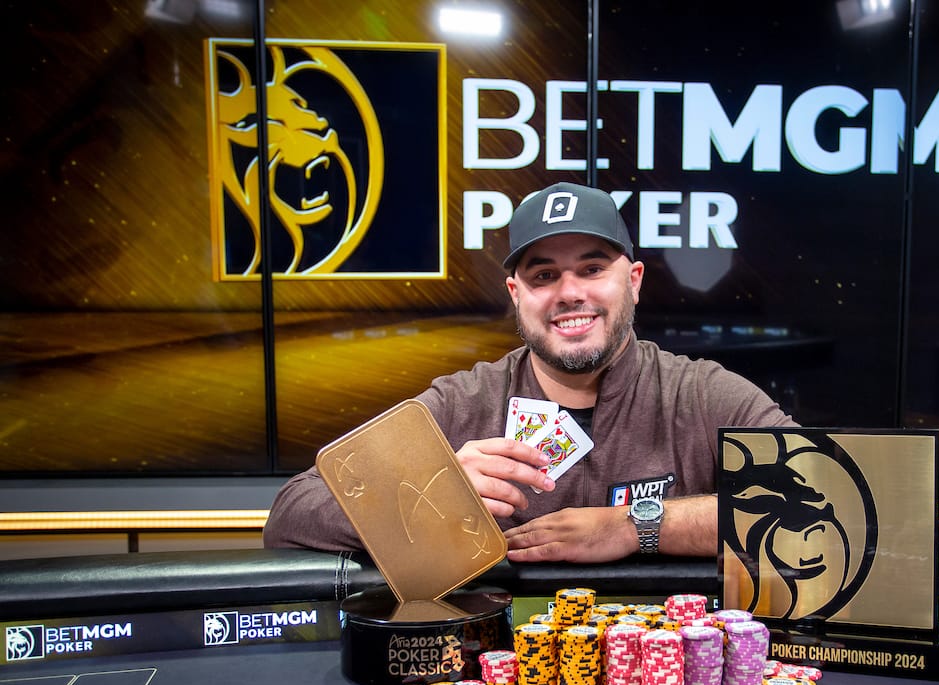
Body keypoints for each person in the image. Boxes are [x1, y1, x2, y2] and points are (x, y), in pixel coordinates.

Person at [262, 182, 794, 561]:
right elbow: (292, 516)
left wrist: (638, 526)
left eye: (591, 268)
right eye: (544, 274)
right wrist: (428, 492)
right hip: (497, 682)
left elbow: (826, 502)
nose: (569, 293)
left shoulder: (701, 395)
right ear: (518, 296)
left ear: (633, 281)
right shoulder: (462, 402)